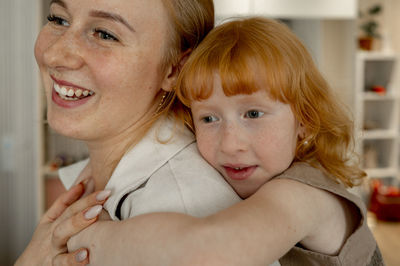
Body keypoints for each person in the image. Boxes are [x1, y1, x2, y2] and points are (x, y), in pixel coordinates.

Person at [60, 17, 383, 266]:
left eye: (253, 114)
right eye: (209, 119)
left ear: (305, 121)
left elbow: (207, 250)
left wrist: (95, 237)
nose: (230, 144)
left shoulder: (303, 194)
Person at [15, 0, 244, 265]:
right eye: (58, 19)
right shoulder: (99, 177)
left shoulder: (184, 212)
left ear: (175, 69)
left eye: (105, 34)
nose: (54, 54)